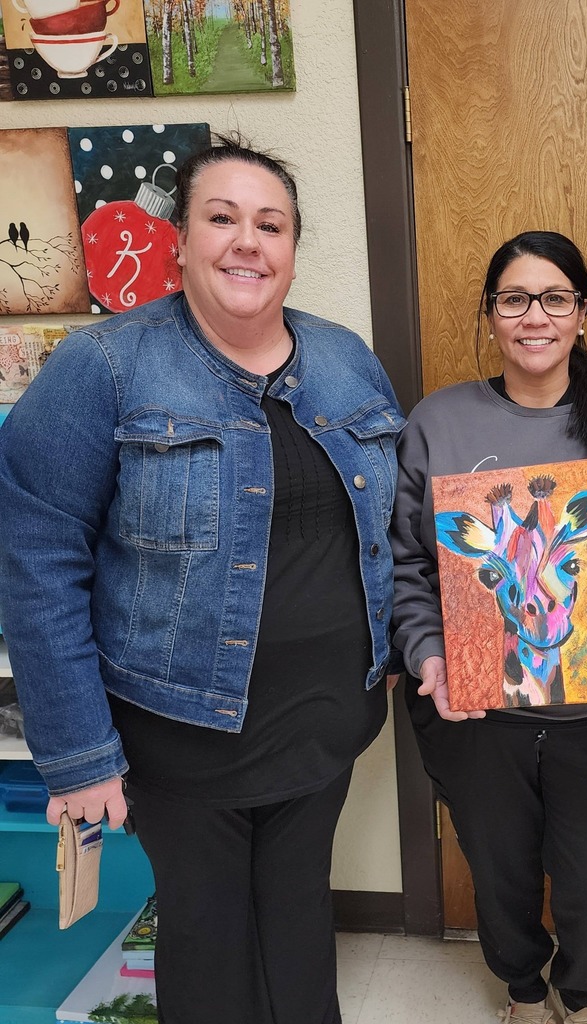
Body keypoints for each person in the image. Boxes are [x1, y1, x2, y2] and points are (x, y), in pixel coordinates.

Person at [0, 136, 404, 1024]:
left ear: (295, 247)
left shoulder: (345, 360)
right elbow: (36, 567)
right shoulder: (104, 368)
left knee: (300, 925)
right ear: (179, 239)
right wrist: (77, 756)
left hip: (324, 728)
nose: (247, 243)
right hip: (180, 739)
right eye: (222, 219)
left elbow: (394, 532)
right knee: (209, 945)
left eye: (271, 224)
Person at [391, 231, 587, 1024]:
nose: (535, 316)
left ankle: (584, 990)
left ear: (582, 313)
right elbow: (407, 566)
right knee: (499, 875)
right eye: (514, 299)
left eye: (555, 298)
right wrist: (428, 654)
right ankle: (523, 990)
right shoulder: (439, 421)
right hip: (477, 711)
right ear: (490, 314)